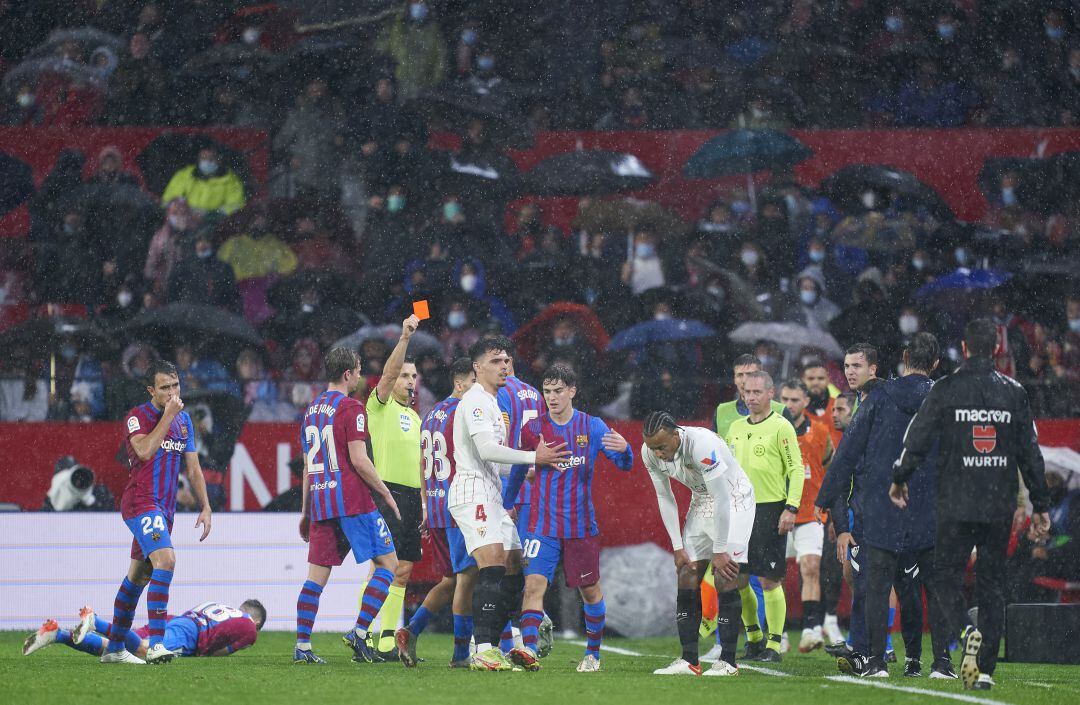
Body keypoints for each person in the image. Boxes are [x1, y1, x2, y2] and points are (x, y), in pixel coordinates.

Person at [891, 319, 1051, 691]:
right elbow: (1030, 452)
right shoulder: (1014, 392)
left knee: (945, 576)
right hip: (998, 504)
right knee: (993, 583)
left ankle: (965, 631)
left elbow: (918, 435)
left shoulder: (946, 389)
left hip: (955, 502)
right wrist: (1040, 504)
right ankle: (986, 669)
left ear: (964, 348)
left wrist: (900, 477)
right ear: (996, 348)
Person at [819, 333, 953, 678]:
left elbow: (848, 452)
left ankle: (876, 663)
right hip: (929, 507)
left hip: (882, 507)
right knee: (933, 587)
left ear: (904, 356)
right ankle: (941, 664)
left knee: (877, 588)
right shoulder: (945, 398)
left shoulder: (879, 396)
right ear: (936, 364)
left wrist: (827, 497)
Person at [448, 336, 569, 671]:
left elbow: (496, 460)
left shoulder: (494, 402)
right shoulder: (474, 401)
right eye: (495, 361)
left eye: (506, 360)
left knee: (515, 568)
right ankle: (484, 648)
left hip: (491, 492)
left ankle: (485, 641)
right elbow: (486, 450)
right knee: (493, 566)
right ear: (477, 367)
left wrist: (530, 468)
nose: (504, 366)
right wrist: (533, 455)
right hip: (473, 492)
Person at [506, 363, 633, 672]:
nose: (551, 397)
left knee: (589, 590)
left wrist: (627, 450)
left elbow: (623, 464)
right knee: (534, 585)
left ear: (572, 391)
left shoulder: (592, 427)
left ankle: (593, 655)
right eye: (547, 391)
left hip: (580, 525)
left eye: (558, 391)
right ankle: (531, 651)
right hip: (542, 523)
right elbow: (519, 468)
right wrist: (507, 502)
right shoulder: (533, 429)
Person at [293, 346, 402, 665]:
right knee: (388, 565)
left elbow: (307, 468)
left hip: (323, 503)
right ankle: (359, 631)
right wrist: (385, 493)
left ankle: (302, 646)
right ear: (347, 374)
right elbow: (359, 459)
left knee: (315, 578)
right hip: (353, 500)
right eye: (357, 370)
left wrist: (305, 512)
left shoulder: (312, 409)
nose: (360, 376)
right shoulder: (351, 407)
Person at [100, 360, 213, 665]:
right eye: (165, 388)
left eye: (175, 386)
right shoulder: (137, 417)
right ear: (151, 390)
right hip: (141, 502)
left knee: (138, 576)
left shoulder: (185, 421)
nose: (172, 393)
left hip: (165, 508)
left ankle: (113, 649)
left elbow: (193, 467)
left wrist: (205, 504)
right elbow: (145, 451)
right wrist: (168, 415)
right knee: (167, 560)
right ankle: (157, 645)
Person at [644, 412, 755, 676]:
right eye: (652, 448)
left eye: (662, 447)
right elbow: (665, 497)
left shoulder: (703, 445)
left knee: (725, 575)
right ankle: (689, 661)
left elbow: (723, 498)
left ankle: (728, 662)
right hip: (702, 500)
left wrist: (719, 550)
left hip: (734, 499)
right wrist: (676, 546)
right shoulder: (649, 451)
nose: (658, 453)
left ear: (676, 434)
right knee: (687, 572)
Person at [395, 358, 478, 668]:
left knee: (451, 579)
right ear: (459, 384)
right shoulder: (464, 413)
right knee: (467, 579)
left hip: (438, 506)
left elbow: (422, 461)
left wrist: (427, 504)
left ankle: (410, 630)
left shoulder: (431, 415)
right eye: (474, 382)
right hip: (459, 507)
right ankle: (460, 655)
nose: (479, 388)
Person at [726, 370, 803, 663]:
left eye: (757, 392)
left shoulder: (781, 427)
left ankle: (774, 644)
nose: (751, 397)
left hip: (770, 508)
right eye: (747, 392)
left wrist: (791, 506)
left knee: (769, 579)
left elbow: (796, 469)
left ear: (771, 393)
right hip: (739, 510)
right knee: (740, 578)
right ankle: (754, 638)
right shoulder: (734, 427)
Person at [359, 315, 423, 658]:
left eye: (414, 376)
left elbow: (420, 466)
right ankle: (364, 635)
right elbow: (386, 374)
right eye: (404, 375)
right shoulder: (378, 406)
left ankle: (385, 637)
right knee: (383, 566)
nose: (410, 381)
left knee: (404, 570)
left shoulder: (415, 417)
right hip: (387, 493)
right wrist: (404, 339)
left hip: (412, 497)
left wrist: (425, 502)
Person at [778, 379, 833, 654]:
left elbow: (830, 469)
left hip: (810, 512)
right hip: (778, 513)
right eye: (785, 399)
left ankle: (811, 629)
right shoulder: (773, 430)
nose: (789, 405)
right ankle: (780, 633)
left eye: (795, 400)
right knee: (773, 577)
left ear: (806, 402)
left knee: (811, 567)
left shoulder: (821, 432)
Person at [24, 600, 265, 659]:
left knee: (116, 650)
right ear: (256, 622)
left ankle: (57, 633)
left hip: (177, 621)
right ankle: (96, 621)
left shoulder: (221, 606)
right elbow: (218, 653)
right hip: (189, 634)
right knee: (142, 650)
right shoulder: (249, 628)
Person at [715, 354, 786, 440]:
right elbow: (712, 449)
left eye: (750, 374)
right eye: (740, 375)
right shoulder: (721, 411)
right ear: (734, 379)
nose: (744, 380)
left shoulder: (781, 411)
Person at [160, 146, 246, 217]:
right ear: (198, 159)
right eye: (203, 158)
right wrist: (185, 212)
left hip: (215, 225)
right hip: (184, 222)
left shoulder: (232, 181)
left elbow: (236, 207)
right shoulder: (184, 176)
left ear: (219, 160)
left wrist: (213, 215)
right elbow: (168, 201)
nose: (207, 162)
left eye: (211, 158)